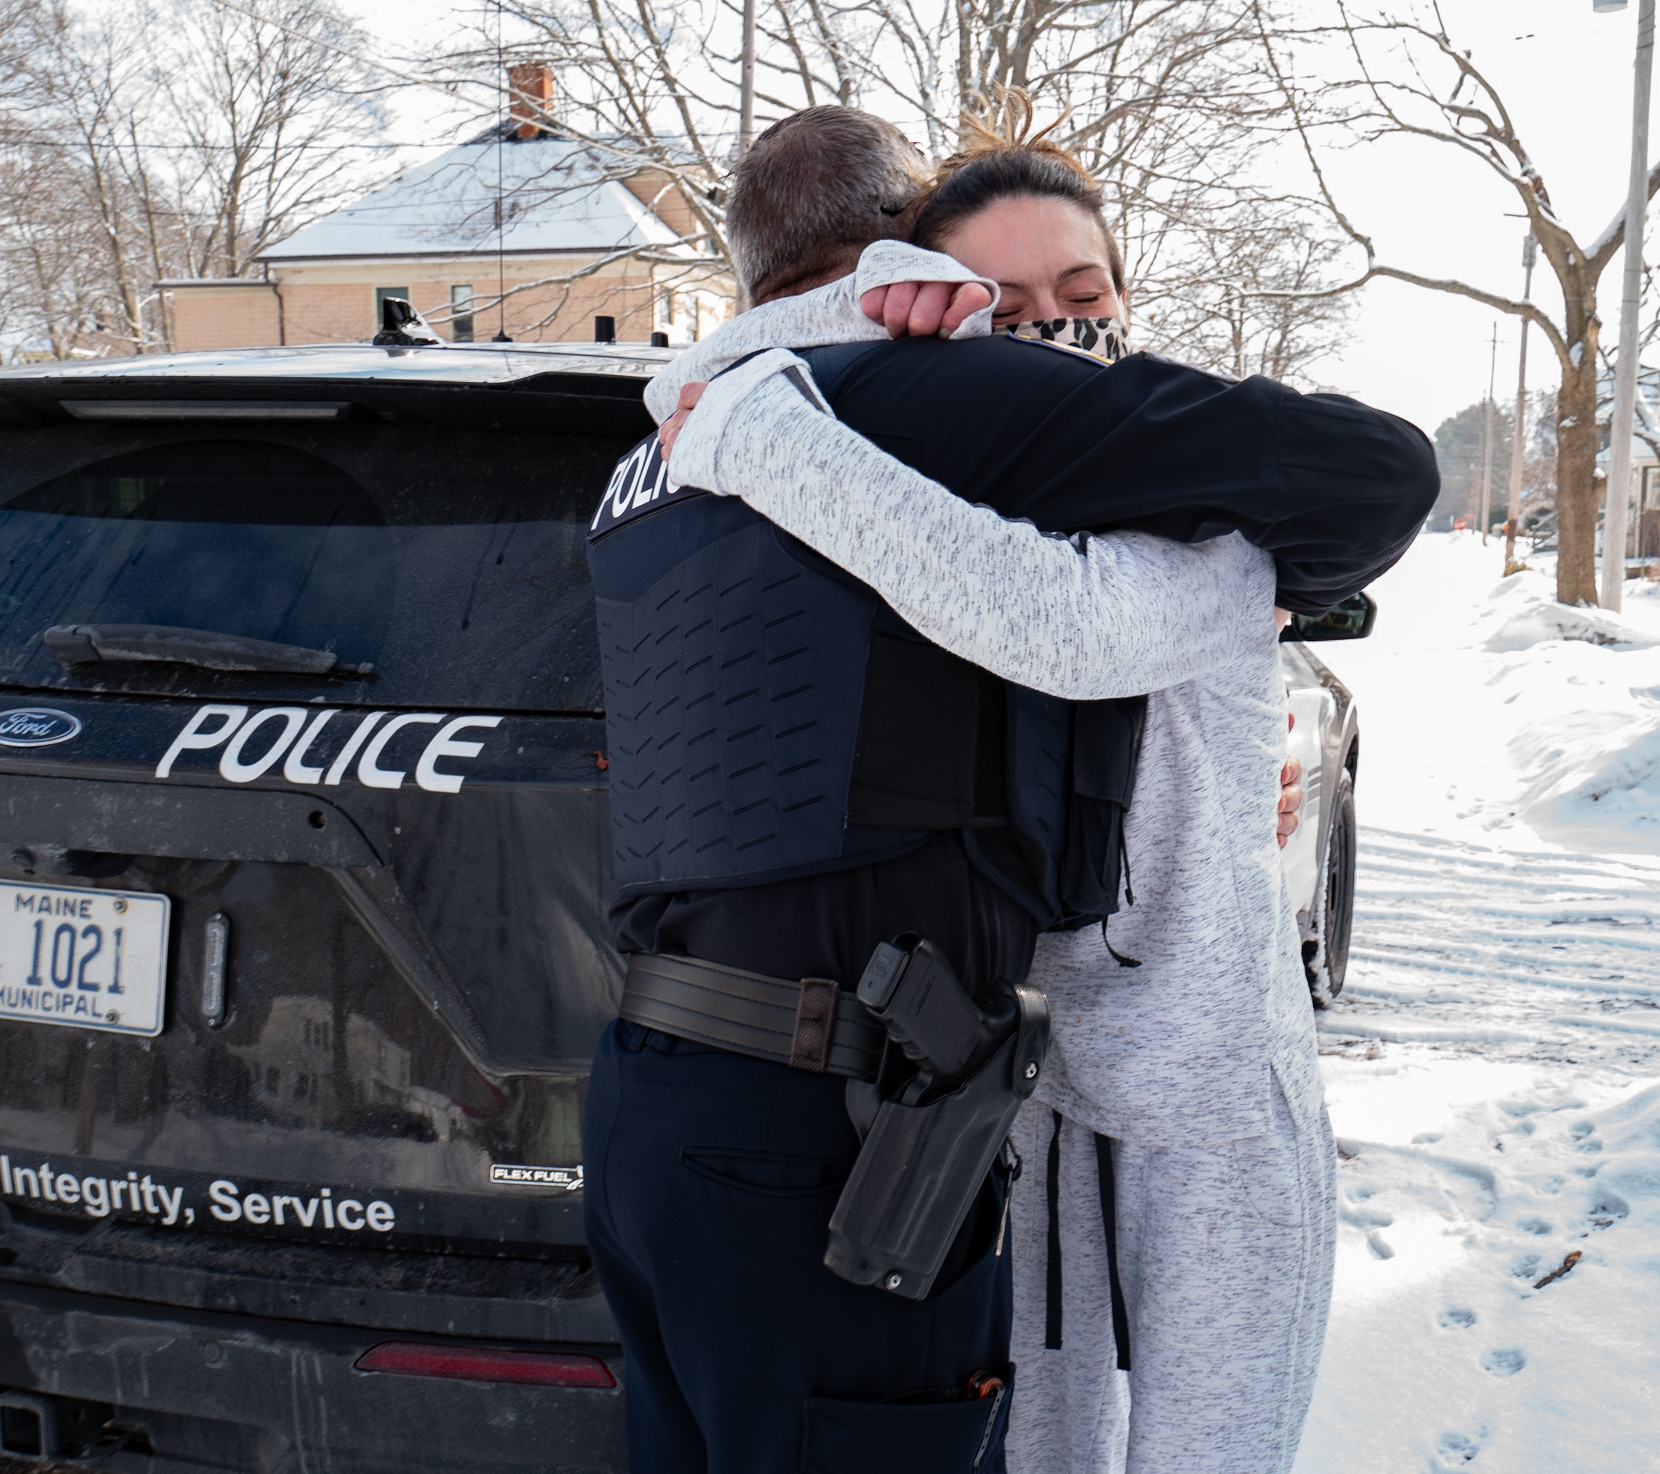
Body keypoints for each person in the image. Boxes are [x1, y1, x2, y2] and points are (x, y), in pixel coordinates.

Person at [582, 104, 1436, 1474]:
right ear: (932, 297)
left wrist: (764, 425)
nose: (1050, 329)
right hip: (989, 1092)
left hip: (1192, 1091)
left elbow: (1070, 623)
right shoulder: (924, 445)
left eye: (1082, 295)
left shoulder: (1177, 504)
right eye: (1011, 302)